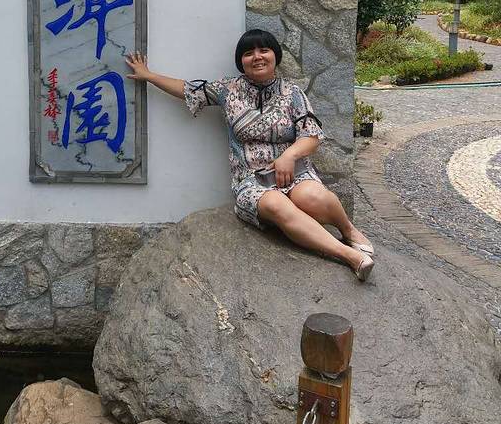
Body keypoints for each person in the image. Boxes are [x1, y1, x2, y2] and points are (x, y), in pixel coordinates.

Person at [126, 28, 374, 281]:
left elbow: (311, 135)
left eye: (264, 50)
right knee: (276, 205)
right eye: (248, 53)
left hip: (294, 173)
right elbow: (187, 89)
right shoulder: (228, 89)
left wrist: (289, 156)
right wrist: (148, 75)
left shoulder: (292, 93)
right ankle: (350, 256)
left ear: (275, 56)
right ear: (241, 61)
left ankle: (348, 230)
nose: (257, 57)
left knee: (314, 197)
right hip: (251, 181)